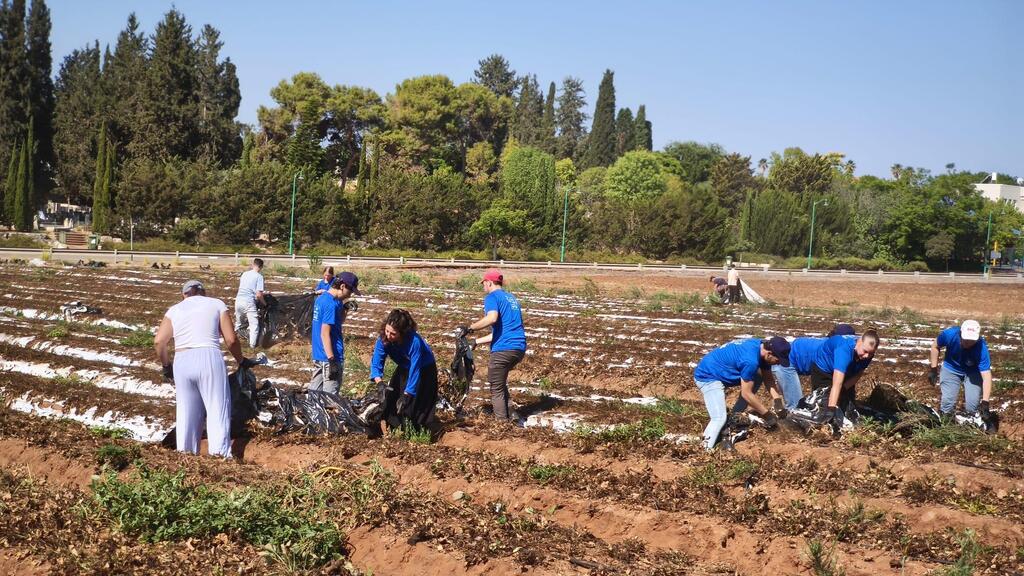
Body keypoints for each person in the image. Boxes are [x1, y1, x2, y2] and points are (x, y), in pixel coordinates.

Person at [154, 280, 251, 457]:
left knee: (186, 411)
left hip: (182, 360)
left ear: (184, 295)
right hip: (208, 356)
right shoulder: (216, 304)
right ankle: (219, 456)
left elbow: (159, 341)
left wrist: (166, 366)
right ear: (203, 292)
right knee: (217, 407)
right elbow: (231, 340)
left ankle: (186, 456)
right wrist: (241, 360)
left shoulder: (175, 310)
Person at [693, 336, 790, 450]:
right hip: (708, 376)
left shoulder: (761, 347)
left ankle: (734, 416)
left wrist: (777, 401)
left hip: (718, 369)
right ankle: (704, 450)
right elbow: (746, 394)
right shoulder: (750, 361)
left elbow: (768, 378)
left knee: (757, 377)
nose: (778, 364)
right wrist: (767, 415)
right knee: (718, 418)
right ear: (769, 354)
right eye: (778, 360)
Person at [457, 269, 527, 421]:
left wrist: (470, 328)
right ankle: (512, 414)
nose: (483, 287)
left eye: (484, 284)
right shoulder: (511, 299)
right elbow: (503, 331)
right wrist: (476, 341)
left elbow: (492, 318)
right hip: (518, 348)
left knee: (495, 386)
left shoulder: (492, 297)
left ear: (489, 282)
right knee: (499, 381)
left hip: (504, 349)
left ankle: (501, 421)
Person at [371, 309, 439, 430]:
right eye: (387, 331)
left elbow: (415, 369)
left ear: (402, 332)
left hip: (424, 368)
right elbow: (377, 360)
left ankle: (414, 430)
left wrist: (407, 394)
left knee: (413, 403)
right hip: (404, 366)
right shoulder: (383, 338)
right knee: (391, 396)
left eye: (393, 333)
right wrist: (379, 382)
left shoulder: (414, 342)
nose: (388, 335)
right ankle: (391, 428)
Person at [810, 330, 880, 434]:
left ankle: (845, 429)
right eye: (865, 351)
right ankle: (819, 429)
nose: (866, 356)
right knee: (824, 402)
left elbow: (858, 373)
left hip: (848, 371)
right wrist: (831, 410)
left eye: (870, 353)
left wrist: (844, 389)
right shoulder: (844, 350)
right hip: (824, 370)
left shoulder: (867, 354)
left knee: (847, 404)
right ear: (859, 341)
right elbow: (837, 384)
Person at [309, 272, 359, 394]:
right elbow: (325, 334)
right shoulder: (330, 304)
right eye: (350, 291)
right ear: (342, 286)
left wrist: (345, 308)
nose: (350, 294)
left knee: (315, 396)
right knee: (329, 399)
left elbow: (337, 322)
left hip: (319, 355)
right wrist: (332, 361)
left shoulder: (325, 299)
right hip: (331, 356)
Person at [929, 320, 992, 416]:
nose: (968, 343)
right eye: (966, 339)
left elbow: (986, 375)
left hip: (972, 372)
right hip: (951, 369)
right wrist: (933, 369)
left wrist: (985, 402)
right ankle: (946, 422)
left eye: (972, 341)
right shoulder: (949, 334)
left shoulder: (981, 348)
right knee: (947, 403)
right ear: (960, 333)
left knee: (972, 406)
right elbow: (935, 346)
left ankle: (970, 422)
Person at [234, 258, 267, 349]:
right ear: (261, 267)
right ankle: (252, 346)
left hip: (238, 301)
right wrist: (265, 304)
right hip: (248, 302)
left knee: (238, 323)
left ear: (253, 264)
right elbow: (259, 295)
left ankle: (233, 341)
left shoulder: (244, 274)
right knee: (254, 325)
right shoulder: (259, 277)